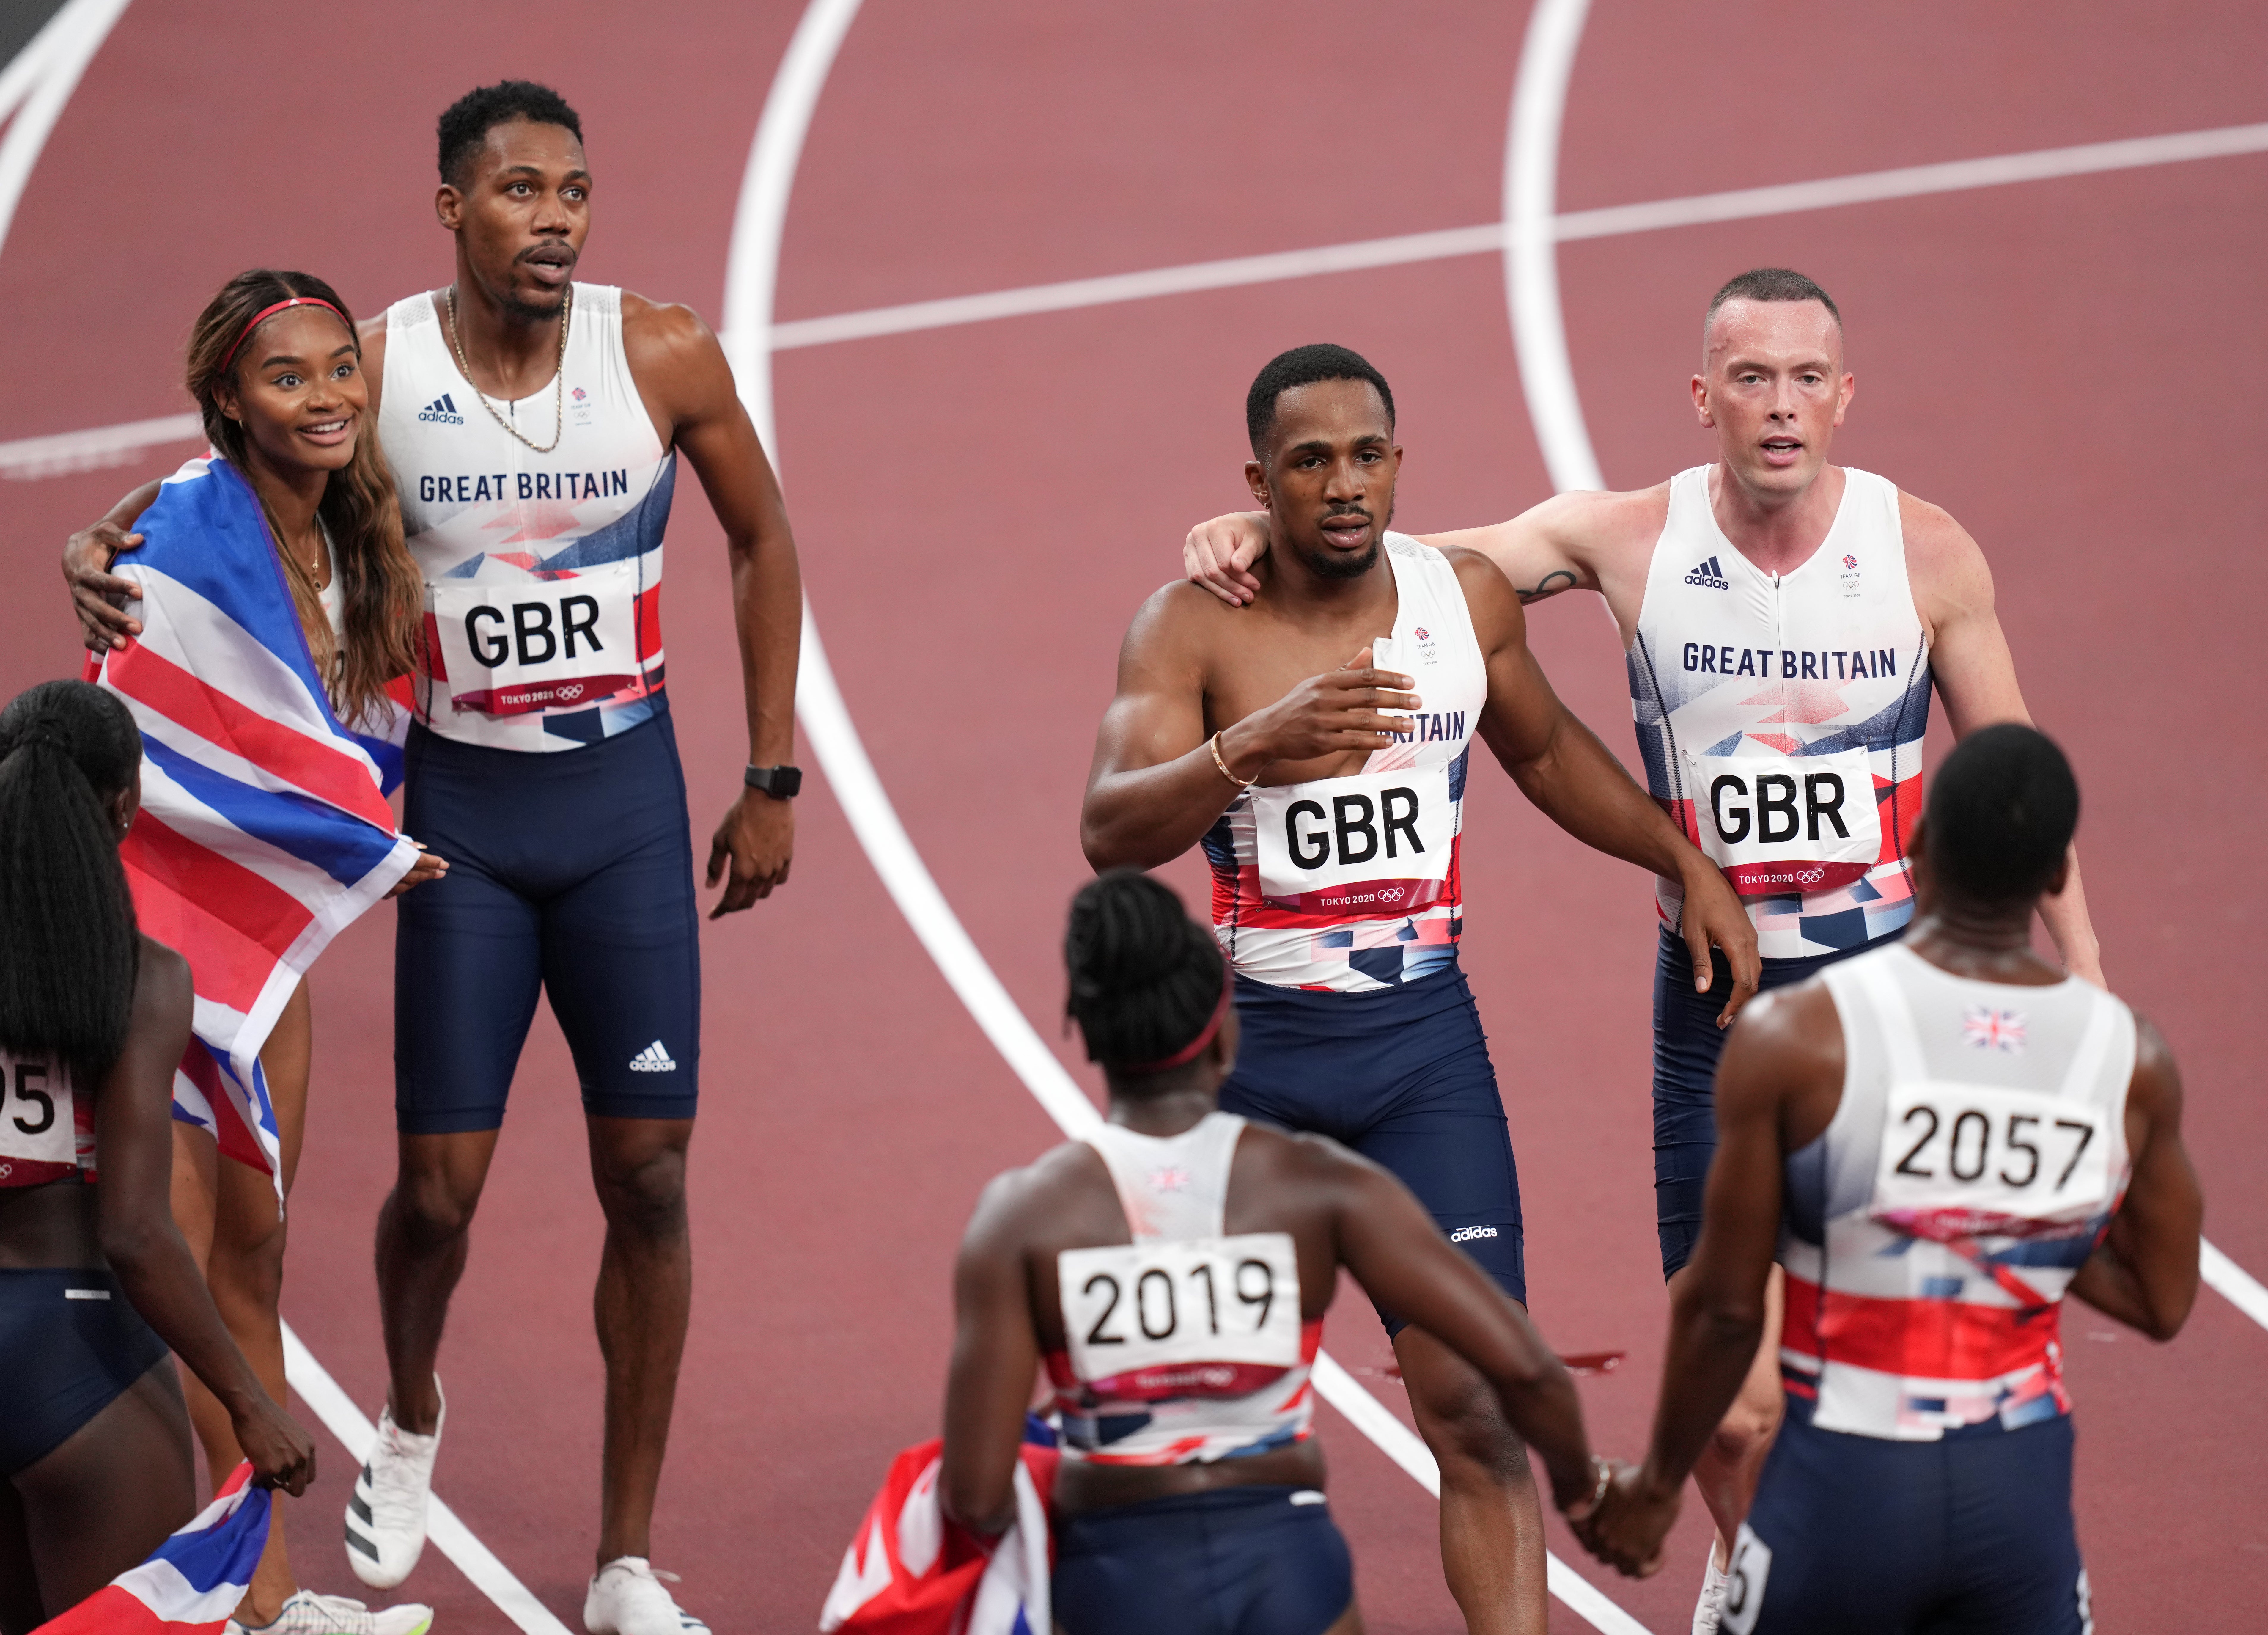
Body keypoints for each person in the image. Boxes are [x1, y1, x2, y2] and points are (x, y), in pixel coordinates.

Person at [1180, 271, 2107, 1628]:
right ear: (1705, 396)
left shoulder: (1928, 554)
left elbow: (2023, 782)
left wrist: (2084, 980)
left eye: (1806, 377)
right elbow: (1404, 553)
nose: (1779, 403)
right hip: (1723, 1007)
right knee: (1734, 1419)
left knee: (1921, 1370)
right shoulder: (1624, 539)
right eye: (1751, 377)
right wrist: (1259, 531)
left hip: (1896, 1016)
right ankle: (1755, 1573)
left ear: (1845, 395)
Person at [62, 81, 804, 1635]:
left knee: (649, 1174)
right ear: (452, 209)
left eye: (575, 192)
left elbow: (762, 533)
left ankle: (622, 1556)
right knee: (439, 1195)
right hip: (459, 816)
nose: (555, 219)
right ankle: (410, 1413)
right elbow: (223, 480)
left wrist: (768, 769)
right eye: (521, 191)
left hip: (621, 811)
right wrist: (101, 541)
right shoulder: (382, 367)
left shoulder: (657, 350)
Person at [1080, 344, 1756, 1635]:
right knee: (1220, 1430)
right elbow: (1110, 831)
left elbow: (1548, 752)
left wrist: (1681, 860)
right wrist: (1245, 749)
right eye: (1310, 460)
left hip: (1420, 1057)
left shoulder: (1463, 601)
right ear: (1257, 482)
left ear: (1400, 464)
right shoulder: (1187, 625)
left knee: (1480, 1408)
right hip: (1249, 1068)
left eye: (1367, 455)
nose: (1343, 484)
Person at [1574, 725, 2201, 1634]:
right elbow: (2161, 1298)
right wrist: (1996, 1226)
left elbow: (1722, 1308)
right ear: (2054, 878)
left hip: (1843, 1493)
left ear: (1914, 847)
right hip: (2016, 1498)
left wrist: (1656, 1487)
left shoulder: (1801, 1037)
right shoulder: (2126, 1056)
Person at [942, 871, 1624, 1635]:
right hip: (1287, 1571)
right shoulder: (1314, 1193)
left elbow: (972, 1495)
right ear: (1225, 1029)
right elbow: (1525, 1368)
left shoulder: (1020, 1219)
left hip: (1118, 1584)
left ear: (1081, 1028)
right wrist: (1584, 1489)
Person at [125, 268, 441, 1635]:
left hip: (270, 948)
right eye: (287, 378)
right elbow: (141, 742)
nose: (323, 396)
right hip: (153, 942)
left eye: (336, 370)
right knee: (177, 1278)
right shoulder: (181, 528)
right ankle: (220, 1589)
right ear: (227, 403)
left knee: (256, 1257)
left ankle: (271, 1599)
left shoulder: (359, 547)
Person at [0, 679, 316, 1634]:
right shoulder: (144, 980)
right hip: (77, 1352)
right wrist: (248, 1403)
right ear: (123, 807)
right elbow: (139, 1231)